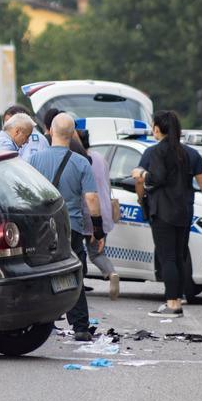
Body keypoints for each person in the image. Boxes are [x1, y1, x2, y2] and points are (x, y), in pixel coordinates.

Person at [131, 111, 202, 318]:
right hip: (184, 210)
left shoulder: (152, 152)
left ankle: (172, 303)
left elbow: (141, 182)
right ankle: (177, 297)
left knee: (167, 257)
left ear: (157, 129)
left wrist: (141, 189)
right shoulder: (190, 153)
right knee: (179, 256)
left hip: (162, 211)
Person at [30, 113, 102, 341]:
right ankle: (80, 326)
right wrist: (98, 230)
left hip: (41, 229)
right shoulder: (81, 162)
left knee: (41, 274)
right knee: (74, 275)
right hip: (71, 228)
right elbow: (91, 199)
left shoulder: (33, 161)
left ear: (50, 131)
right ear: (72, 135)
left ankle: (40, 323)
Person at [81, 128, 120, 300]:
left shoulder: (78, 160)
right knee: (97, 253)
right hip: (103, 211)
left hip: (84, 210)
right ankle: (111, 273)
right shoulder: (100, 159)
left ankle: (77, 284)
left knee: (75, 251)